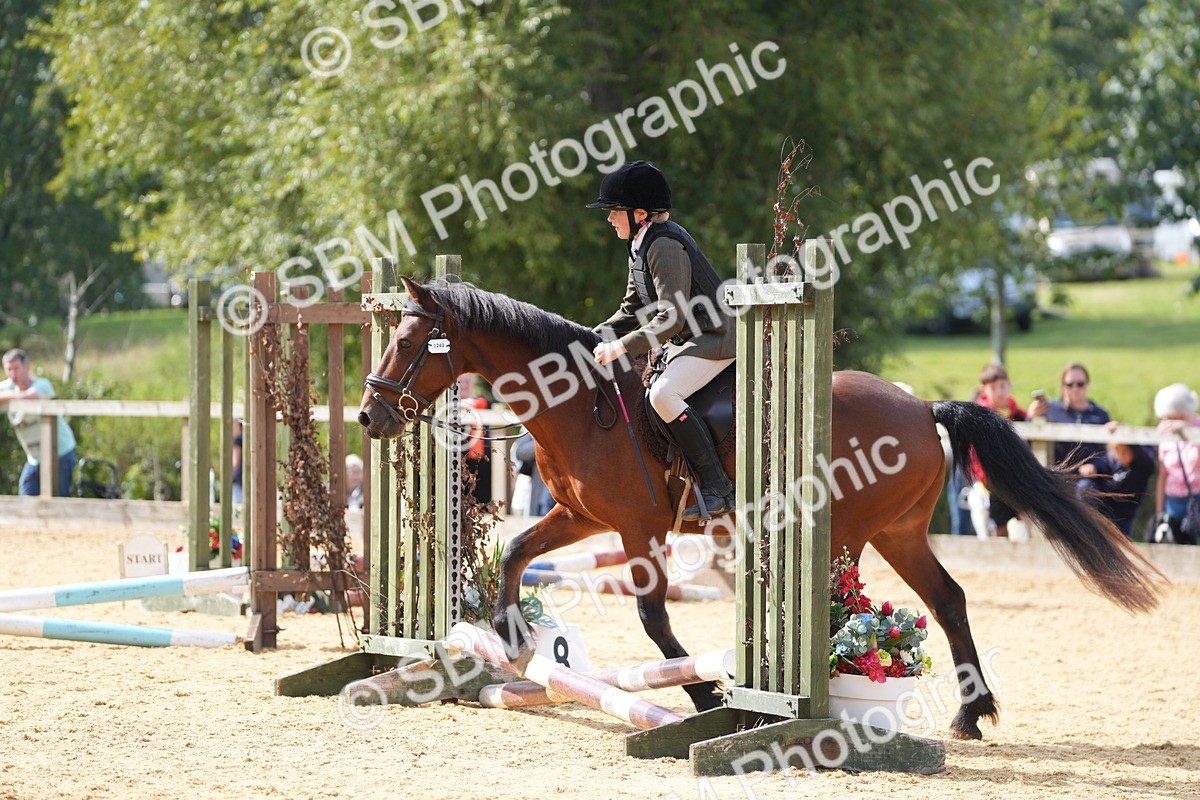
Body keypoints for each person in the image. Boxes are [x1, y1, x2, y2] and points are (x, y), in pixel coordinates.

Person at [588, 160, 736, 520]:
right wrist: (586, 338)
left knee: (662, 394)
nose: (609, 219)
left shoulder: (665, 245)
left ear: (639, 213)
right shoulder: (640, 244)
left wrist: (621, 347)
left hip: (717, 337)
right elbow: (630, 309)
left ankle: (718, 487)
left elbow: (671, 317)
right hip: (691, 338)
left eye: (614, 212)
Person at [0, 349, 78, 496]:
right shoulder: (7, 387)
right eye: (9, 369)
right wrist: (16, 395)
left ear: (27, 367)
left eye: (16, 368)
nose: (13, 374)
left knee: (58, 502)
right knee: (26, 498)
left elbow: (32, 395)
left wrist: (11, 397)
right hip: (35, 458)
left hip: (60, 452)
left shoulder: (43, 384)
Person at [1027, 362, 1114, 483]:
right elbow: (1027, 443)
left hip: (1090, 481)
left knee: (1085, 488)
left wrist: (1095, 466)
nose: (1075, 388)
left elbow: (1109, 453)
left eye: (1080, 384)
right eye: (1069, 384)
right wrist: (1031, 418)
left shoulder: (1100, 414)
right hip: (1057, 477)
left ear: (1087, 385)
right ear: (1062, 386)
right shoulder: (1049, 410)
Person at [968, 363, 1027, 538]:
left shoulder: (1019, 415)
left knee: (1027, 519)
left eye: (1002, 386)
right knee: (998, 529)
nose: (999, 392)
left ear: (1009, 385)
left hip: (1017, 481)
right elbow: (973, 454)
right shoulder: (978, 417)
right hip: (990, 483)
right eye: (993, 388)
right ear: (984, 389)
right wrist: (989, 479)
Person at [1152, 383, 1200, 545]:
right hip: (1174, 501)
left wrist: (1188, 429)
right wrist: (1160, 511)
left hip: (1197, 496)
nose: (1167, 421)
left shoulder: (1197, 426)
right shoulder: (1166, 435)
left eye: (1172, 417)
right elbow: (1162, 474)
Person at [1081, 442, 1156, 539]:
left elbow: (1146, 457)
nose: (1120, 455)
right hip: (1105, 513)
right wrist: (1091, 468)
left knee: (1122, 546)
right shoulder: (1112, 462)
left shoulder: (1142, 466)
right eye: (1117, 451)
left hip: (1125, 516)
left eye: (1124, 452)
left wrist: (1123, 437)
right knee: (1085, 485)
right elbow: (1100, 464)